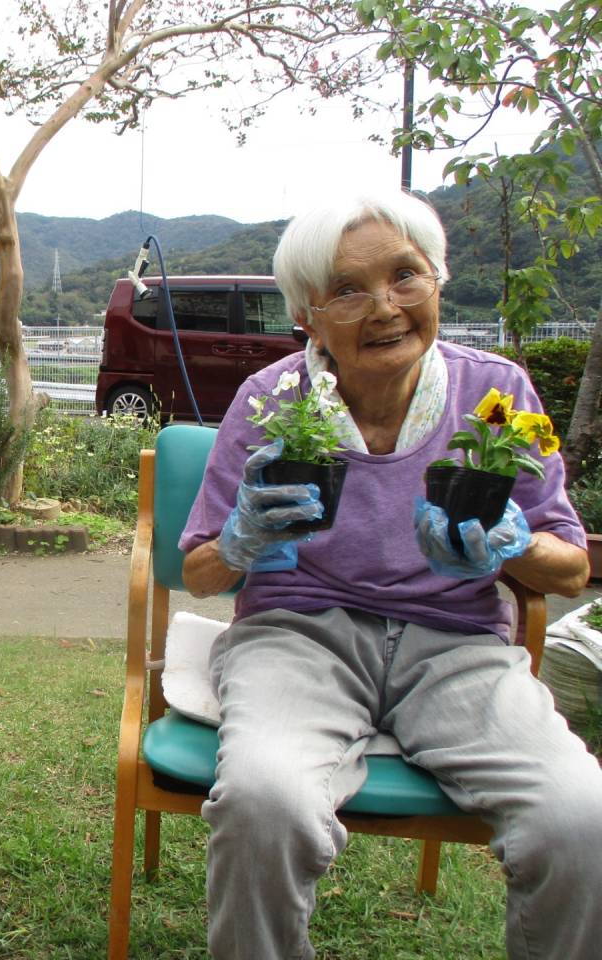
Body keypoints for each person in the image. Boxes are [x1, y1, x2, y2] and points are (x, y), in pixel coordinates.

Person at [179, 190, 602, 960]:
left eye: (406, 276)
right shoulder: (271, 401)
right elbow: (202, 572)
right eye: (347, 289)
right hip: (296, 640)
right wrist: (242, 538)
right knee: (263, 802)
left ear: (436, 282)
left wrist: (511, 545)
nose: (384, 307)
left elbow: (571, 569)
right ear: (307, 316)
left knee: (580, 817)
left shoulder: (495, 394)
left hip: (457, 648)